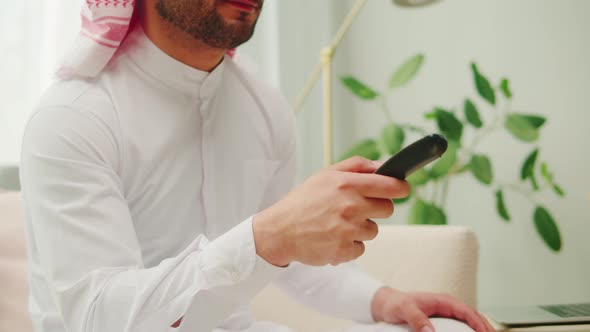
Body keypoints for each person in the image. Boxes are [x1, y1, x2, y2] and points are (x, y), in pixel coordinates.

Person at [20, 1, 494, 332]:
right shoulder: (74, 118)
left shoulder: (262, 106)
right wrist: (267, 236)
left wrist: (384, 300)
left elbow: (291, 264)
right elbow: (102, 319)